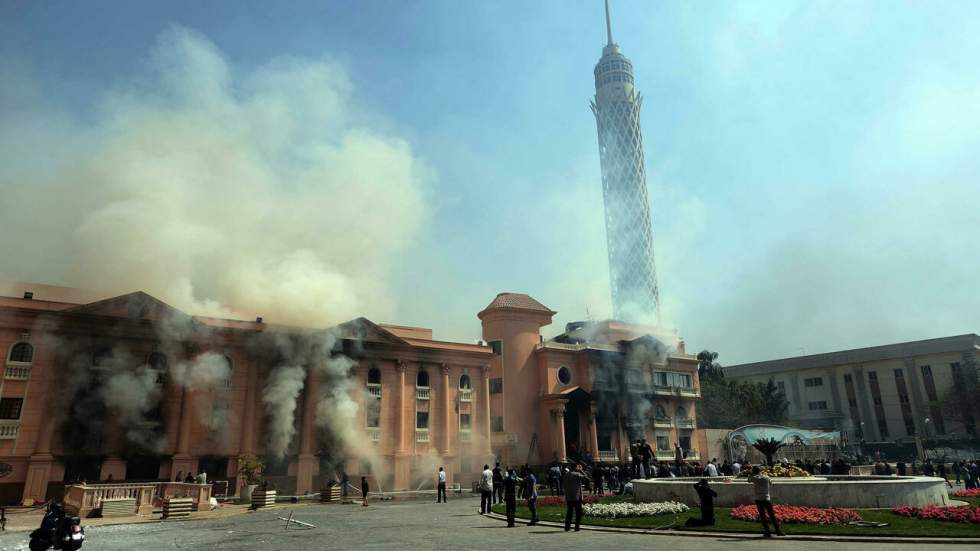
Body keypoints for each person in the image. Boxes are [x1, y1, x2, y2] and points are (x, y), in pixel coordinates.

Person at [748, 466, 783, 537]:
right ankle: (778, 531)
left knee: (763, 516)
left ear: (754, 471)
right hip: (766, 498)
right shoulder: (766, 477)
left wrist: (751, 474)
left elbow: (748, 480)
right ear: (760, 471)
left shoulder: (754, 478)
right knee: (772, 515)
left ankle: (767, 532)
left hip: (758, 499)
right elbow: (771, 483)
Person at [563, 463, 590, 532]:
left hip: (569, 496)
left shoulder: (566, 475)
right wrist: (581, 470)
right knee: (578, 512)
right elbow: (587, 478)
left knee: (569, 512)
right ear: (575, 468)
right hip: (577, 497)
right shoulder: (577, 474)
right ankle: (577, 527)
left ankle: (567, 527)